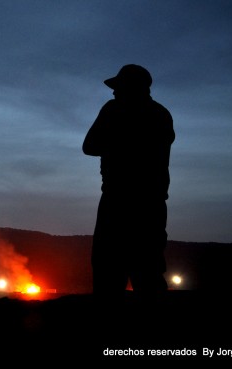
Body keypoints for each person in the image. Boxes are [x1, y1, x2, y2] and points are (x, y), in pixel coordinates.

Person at [82, 64, 175, 302]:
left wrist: (117, 144)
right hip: (149, 205)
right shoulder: (161, 114)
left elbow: (90, 146)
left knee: (110, 274)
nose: (114, 93)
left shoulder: (114, 111)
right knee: (147, 273)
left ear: (131, 88)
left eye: (119, 88)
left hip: (120, 203)